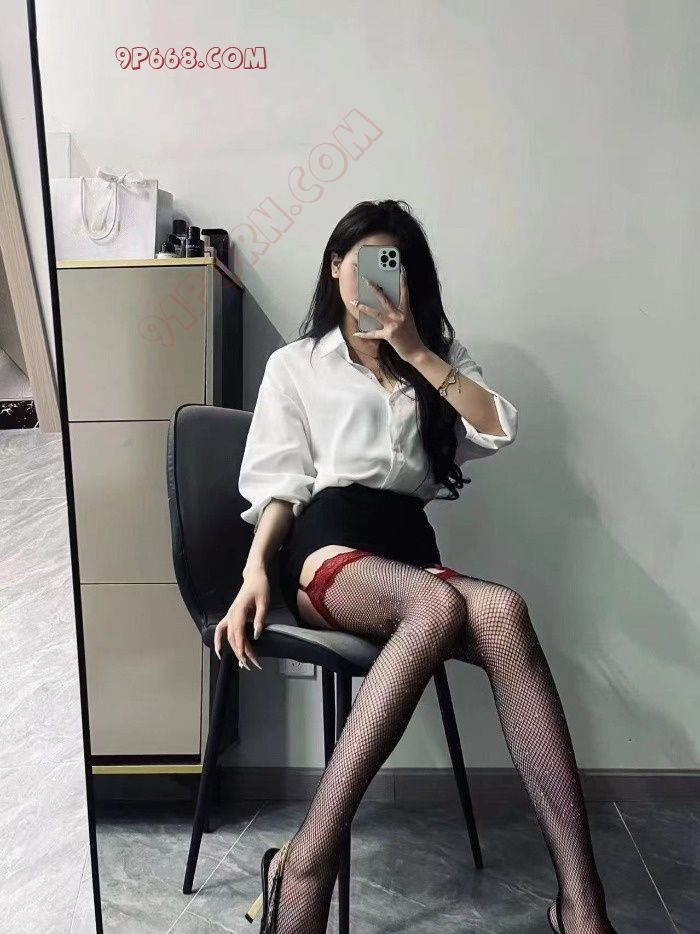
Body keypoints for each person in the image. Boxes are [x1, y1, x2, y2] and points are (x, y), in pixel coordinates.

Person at [216, 199, 616, 933]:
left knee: (503, 611)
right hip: (330, 544)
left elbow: (497, 428)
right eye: (361, 261)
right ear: (335, 267)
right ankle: (307, 863)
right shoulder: (297, 365)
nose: (373, 278)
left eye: (391, 265)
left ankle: (580, 903)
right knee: (436, 607)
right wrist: (254, 573)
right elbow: (281, 485)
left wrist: (417, 351)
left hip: (408, 548)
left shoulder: (436, 359)